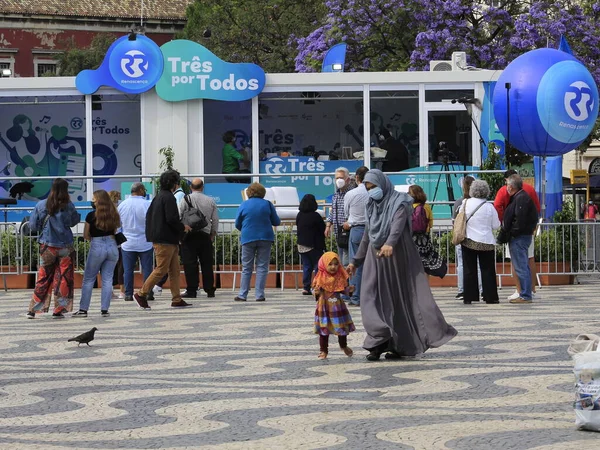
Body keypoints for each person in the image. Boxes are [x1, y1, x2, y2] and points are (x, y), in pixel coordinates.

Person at [346, 170, 457, 361]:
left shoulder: (400, 202)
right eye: (368, 188)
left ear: (383, 184)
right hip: (376, 258)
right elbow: (367, 234)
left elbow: (397, 226)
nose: (372, 191)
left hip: (396, 257)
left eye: (374, 187)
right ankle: (377, 339)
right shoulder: (371, 205)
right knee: (371, 297)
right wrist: (356, 261)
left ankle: (398, 345)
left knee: (397, 301)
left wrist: (389, 243)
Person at [133, 170, 192, 309]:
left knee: (174, 270)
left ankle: (176, 298)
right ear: (174, 183)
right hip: (166, 239)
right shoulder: (169, 198)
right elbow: (171, 219)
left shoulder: (158, 197)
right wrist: (183, 227)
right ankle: (141, 293)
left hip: (163, 238)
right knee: (161, 269)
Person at [26, 178, 80, 319]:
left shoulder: (41, 204)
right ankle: (59, 308)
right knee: (64, 278)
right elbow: (74, 221)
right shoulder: (69, 205)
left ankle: (34, 309)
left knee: (43, 277)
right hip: (65, 247)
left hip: (47, 246)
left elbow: (33, 226)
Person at [494, 169, 540, 300]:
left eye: (507, 184)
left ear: (511, 185)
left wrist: (509, 230)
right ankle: (529, 291)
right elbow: (536, 209)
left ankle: (523, 293)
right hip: (526, 234)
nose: (506, 187)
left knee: (519, 265)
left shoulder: (518, 198)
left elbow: (499, 207)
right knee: (526, 262)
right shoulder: (526, 193)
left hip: (518, 237)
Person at [72, 190, 120, 317]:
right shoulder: (114, 214)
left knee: (88, 279)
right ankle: (104, 309)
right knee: (107, 279)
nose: (92, 201)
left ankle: (83, 309)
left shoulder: (91, 216)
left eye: (93, 198)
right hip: (112, 245)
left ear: (98, 200)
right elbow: (115, 230)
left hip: (97, 246)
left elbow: (86, 235)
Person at [234, 182, 281, 302]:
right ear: (262, 193)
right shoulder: (268, 204)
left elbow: (237, 223)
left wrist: (245, 229)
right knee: (262, 266)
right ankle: (259, 294)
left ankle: (242, 294)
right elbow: (276, 221)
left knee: (246, 267)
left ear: (249, 192)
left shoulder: (243, 205)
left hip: (248, 237)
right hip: (265, 237)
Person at [458, 180, 500, 305]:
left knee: (469, 269)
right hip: (486, 242)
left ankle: (469, 296)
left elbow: (461, 219)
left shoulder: (465, 203)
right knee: (488, 270)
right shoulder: (489, 207)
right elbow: (496, 225)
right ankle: (490, 296)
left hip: (469, 240)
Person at [178, 178, 219, 298]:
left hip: (189, 235)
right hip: (205, 235)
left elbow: (179, 215)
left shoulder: (185, 199)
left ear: (191, 187)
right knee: (206, 263)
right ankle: (209, 289)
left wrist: (180, 234)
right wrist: (213, 233)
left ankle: (192, 289)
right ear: (202, 187)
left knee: (190, 263)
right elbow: (215, 219)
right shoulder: (210, 200)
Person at [312, 251, 355, 360]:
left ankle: (343, 345)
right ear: (323, 264)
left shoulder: (339, 277)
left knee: (341, 328)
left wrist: (349, 290)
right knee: (323, 330)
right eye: (330, 264)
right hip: (324, 308)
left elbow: (343, 290)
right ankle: (323, 350)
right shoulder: (320, 277)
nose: (333, 267)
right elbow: (315, 290)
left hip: (337, 308)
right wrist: (316, 292)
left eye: (336, 264)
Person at [117, 182, 154, 303]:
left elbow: (118, 225)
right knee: (147, 269)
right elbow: (151, 222)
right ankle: (147, 292)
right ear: (141, 190)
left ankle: (128, 294)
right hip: (145, 241)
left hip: (127, 242)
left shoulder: (122, 205)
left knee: (128, 270)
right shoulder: (147, 204)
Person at [342, 166, 369, 306]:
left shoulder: (351, 194)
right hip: (373, 231)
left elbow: (346, 214)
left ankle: (355, 296)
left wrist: (350, 221)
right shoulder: (374, 193)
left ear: (357, 178)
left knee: (354, 264)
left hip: (356, 229)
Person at [452, 176, 482, 299]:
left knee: (462, 264)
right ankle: (480, 288)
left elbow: (454, 221)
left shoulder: (459, 203)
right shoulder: (481, 203)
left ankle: (462, 289)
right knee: (479, 264)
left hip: (462, 236)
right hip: (477, 236)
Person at [408, 184, 447, 278]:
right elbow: (431, 224)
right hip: (424, 240)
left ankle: (414, 289)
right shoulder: (426, 206)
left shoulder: (407, 206)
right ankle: (426, 289)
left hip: (411, 239)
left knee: (411, 263)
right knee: (425, 264)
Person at [325, 167, 357, 267]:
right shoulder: (336, 194)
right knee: (341, 258)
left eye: (341, 178)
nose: (339, 180)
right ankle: (344, 281)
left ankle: (348, 281)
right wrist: (328, 225)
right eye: (337, 178)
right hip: (338, 232)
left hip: (349, 231)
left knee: (347, 260)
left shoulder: (352, 193)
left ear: (348, 179)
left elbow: (356, 211)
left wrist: (349, 223)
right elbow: (333, 211)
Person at [296, 194, 326, 295]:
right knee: (318, 266)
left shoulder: (299, 215)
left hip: (301, 245)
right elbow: (322, 228)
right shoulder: (316, 216)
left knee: (307, 266)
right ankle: (317, 286)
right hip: (314, 244)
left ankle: (306, 287)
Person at [108, 190, 124, 300]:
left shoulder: (105, 210)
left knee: (109, 268)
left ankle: (110, 291)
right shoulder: (117, 210)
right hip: (118, 241)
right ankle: (122, 291)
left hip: (108, 241)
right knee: (121, 266)